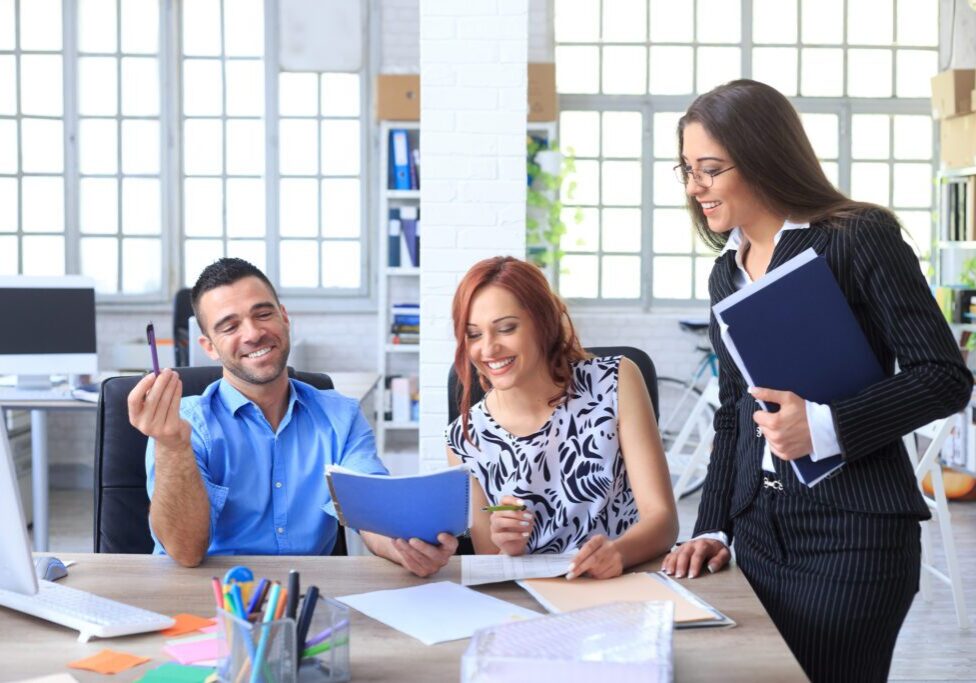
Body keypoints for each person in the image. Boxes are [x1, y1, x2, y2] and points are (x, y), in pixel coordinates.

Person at [661, 80, 973, 683]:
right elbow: (734, 413)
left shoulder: (857, 236)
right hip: (757, 535)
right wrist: (714, 526)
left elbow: (943, 377)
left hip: (851, 537)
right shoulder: (726, 273)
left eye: (710, 169)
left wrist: (825, 426)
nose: (694, 187)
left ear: (762, 157)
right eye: (687, 170)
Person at [129, 257, 457, 575]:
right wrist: (173, 447)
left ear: (284, 318)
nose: (253, 333)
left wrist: (405, 548)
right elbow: (186, 552)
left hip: (307, 593)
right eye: (230, 326)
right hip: (212, 595)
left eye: (263, 314)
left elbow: (373, 514)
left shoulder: (340, 416)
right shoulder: (180, 426)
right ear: (209, 347)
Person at [446, 256, 678, 579]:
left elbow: (663, 520)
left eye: (506, 328)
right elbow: (490, 564)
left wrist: (619, 553)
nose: (488, 349)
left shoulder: (615, 381)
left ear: (543, 323)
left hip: (623, 583)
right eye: (473, 335)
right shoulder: (463, 439)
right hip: (534, 596)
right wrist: (507, 546)